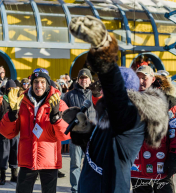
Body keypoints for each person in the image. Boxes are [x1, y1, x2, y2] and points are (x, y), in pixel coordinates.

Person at [67, 15, 169, 193]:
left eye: (106, 88)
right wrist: (83, 133)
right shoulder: (109, 117)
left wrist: (104, 49)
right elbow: (98, 153)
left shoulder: (131, 117)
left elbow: (116, 94)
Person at [0, 68, 70, 193]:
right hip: (27, 159)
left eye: (42, 82)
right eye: (36, 82)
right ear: (31, 83)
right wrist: (12, 114)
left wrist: (56, 118)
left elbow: (66, 134)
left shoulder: (59, 102)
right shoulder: (22, 101)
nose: (39, 85)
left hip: (49, 160)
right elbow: (7, 133)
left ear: (48, 84)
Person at [131, 65, 176, 193]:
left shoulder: (168, 100)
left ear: (152, 79)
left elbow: (175, 128)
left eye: (144, 78)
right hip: (137, 163)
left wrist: (174, 155)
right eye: (137, 78)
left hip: (161, 161)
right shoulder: (130, 100)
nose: (140, 81)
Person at [63, 68, 96, 193]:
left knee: (92, 164)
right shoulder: (70, 94)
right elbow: (64, 113)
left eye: (86, 78)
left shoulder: (96, 93)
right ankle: (75, 189)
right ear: (78, 80)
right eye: (81, 78)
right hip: (76, 135)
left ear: (90, 80)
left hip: (93, 135)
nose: (83, 80)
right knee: (75, 164)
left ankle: (90, 188)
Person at [0, 80, 19, 185]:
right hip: (3, 131)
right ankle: (2, 175)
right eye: (9, 89)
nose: (11, 91)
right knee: (3, 152)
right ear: (6, 89)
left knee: (14, 152)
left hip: (15, 131)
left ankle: (14, 174)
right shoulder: (1, 100)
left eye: (13, 89)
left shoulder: (18, 100)